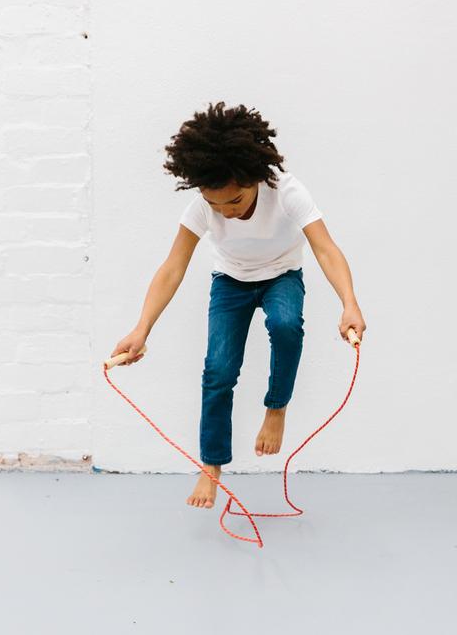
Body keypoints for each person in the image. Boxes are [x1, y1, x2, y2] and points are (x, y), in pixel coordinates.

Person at [109, 101, 366, 510]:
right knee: (218, 371)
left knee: (285, 324)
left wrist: (349, 303)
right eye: (216, 205)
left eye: (235, 201)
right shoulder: (202, 207)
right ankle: (211, 466)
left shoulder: (287, 191)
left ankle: (276, 408)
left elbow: (326, 249)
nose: (227, 212)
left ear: (255, 179)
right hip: (230, 282)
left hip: (282, 275)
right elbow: (173, 268)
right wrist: (142, 329)